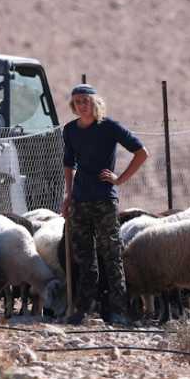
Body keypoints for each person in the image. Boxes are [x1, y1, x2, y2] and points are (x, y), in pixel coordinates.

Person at [61, 83, 149, 326]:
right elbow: (69, 164)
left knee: (111, 255)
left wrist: (119, 179)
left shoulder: (109, 127)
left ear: (95, 103)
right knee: (84, 258)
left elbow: (141, 152)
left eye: (86, 101)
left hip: (104, 200)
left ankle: (119, 310)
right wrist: (68, 196)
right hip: (80, 200)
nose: (82, 105)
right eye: (77, 101)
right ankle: (83, 310)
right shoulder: (70, 130)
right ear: (73, 105)